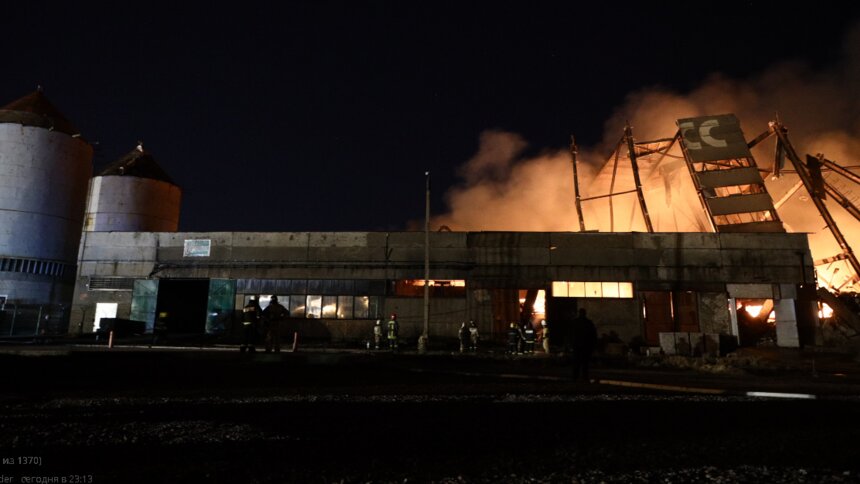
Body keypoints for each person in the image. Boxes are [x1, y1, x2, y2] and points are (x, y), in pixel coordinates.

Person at [570, 308, 597, 381]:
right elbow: (593, 335)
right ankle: (584, 377)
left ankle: (575, 377)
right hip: (586, 346)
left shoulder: (575, 322)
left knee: (576, 363)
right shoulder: (589, 323)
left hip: (577, 345)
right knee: (585, 363)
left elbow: (571, 334)